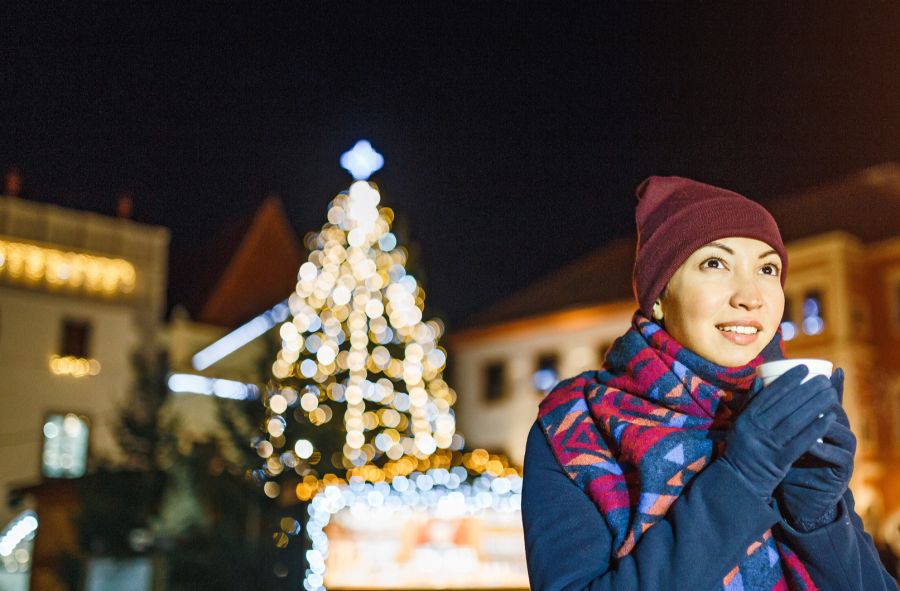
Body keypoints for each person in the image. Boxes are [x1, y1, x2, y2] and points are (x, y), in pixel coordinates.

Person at [521, 176, 899, 591]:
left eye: (767, 269)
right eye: (715, 264)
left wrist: (820, 521)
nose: (750, 296)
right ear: (658, 297)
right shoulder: (574, 424)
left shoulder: (784, 421)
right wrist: (740, 480)